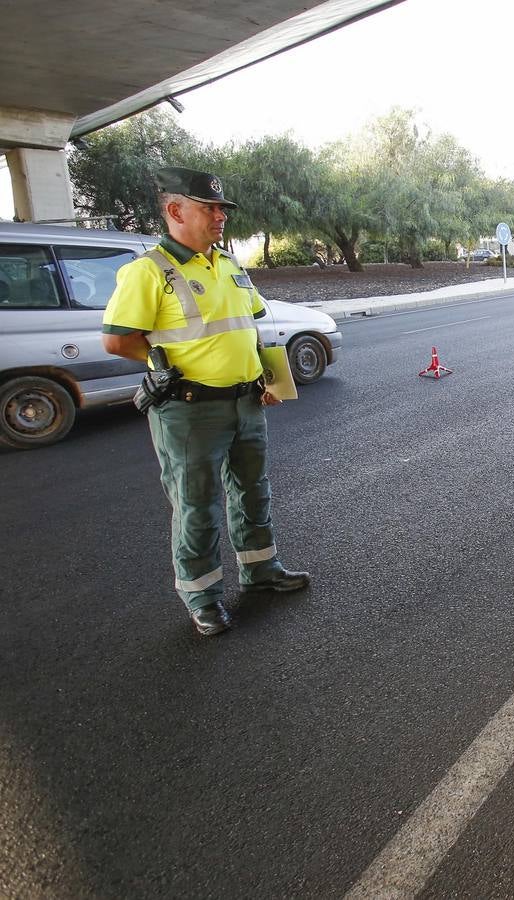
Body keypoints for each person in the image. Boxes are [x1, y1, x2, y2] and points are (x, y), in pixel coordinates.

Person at [101, 167, 310, 636]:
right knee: (197, 505)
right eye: (209, 208)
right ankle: (203, 597)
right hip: (190, 407)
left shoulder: (230, 265)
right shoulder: (148, 271)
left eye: (222, 210)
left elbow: (245, 330)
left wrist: (267, 379)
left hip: (246, 402)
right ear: (175, 210)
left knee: (253, 491)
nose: (220, 217)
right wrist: (163, 363)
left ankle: (261, 570)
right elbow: (117, 341)